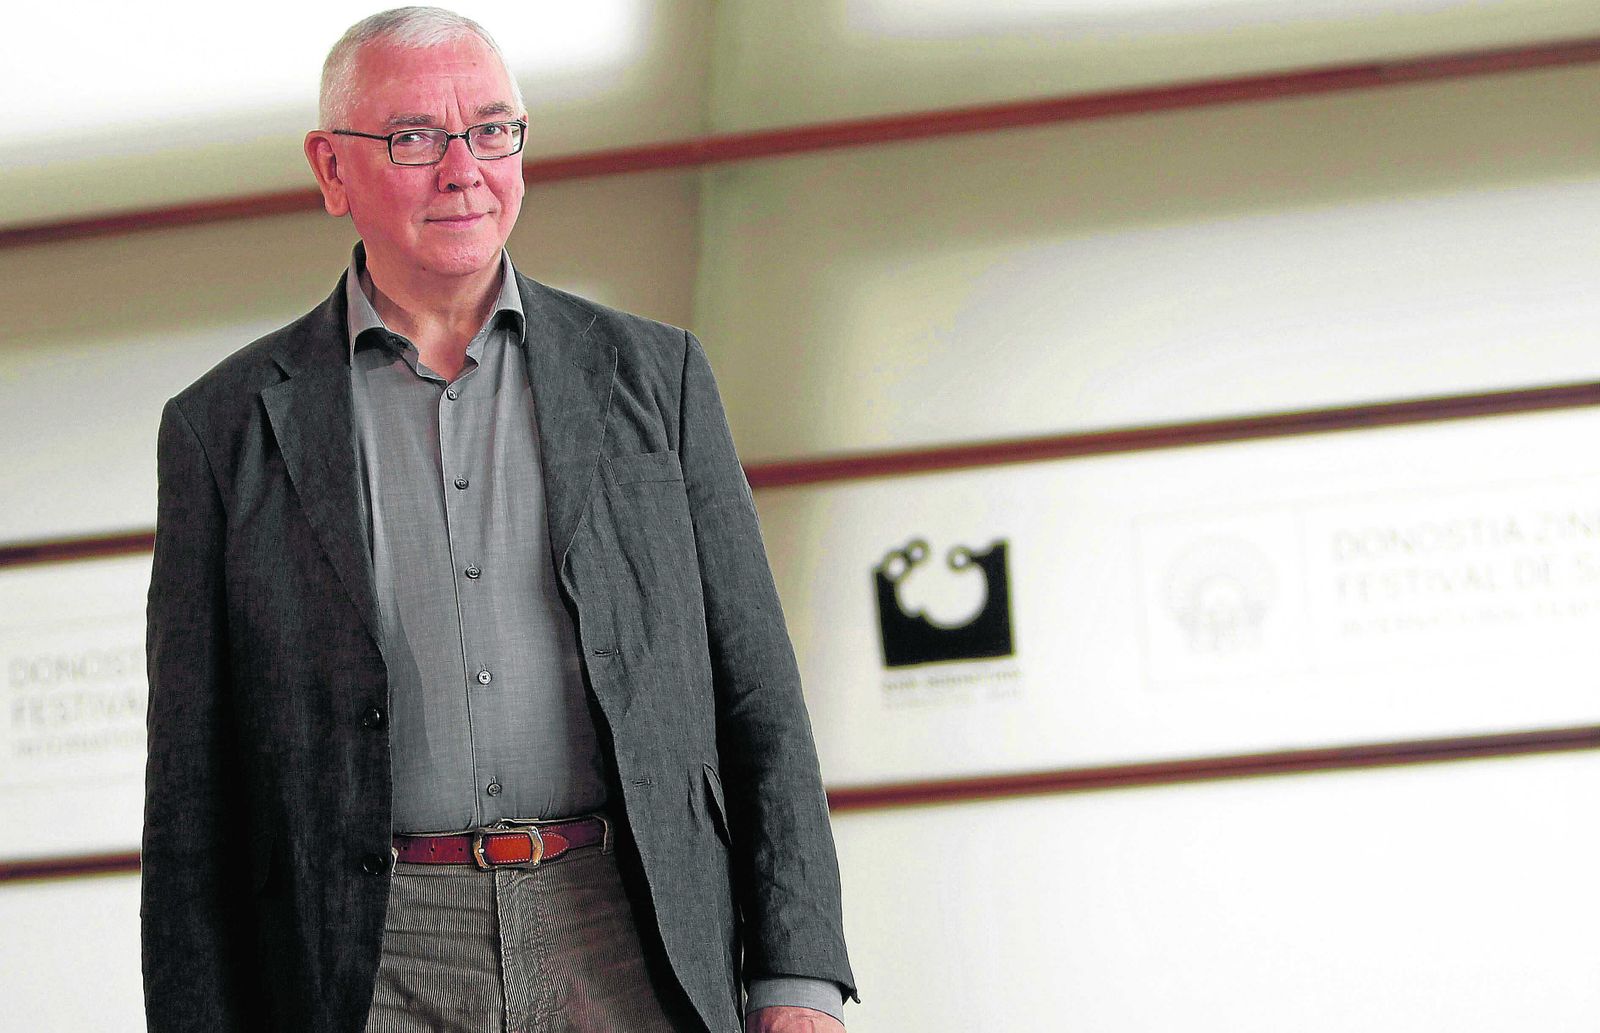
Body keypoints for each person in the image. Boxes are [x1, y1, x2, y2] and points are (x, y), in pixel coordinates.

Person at [140, 8, 856, 1033]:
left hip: (624, 921)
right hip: (369, 949)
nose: (463, 169)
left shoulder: (657, 379)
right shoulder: (224, 426)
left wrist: (797, 977)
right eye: (414, 137)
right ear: (331, 169)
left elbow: (759, 699)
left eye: (492, 129)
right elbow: (190, 787)